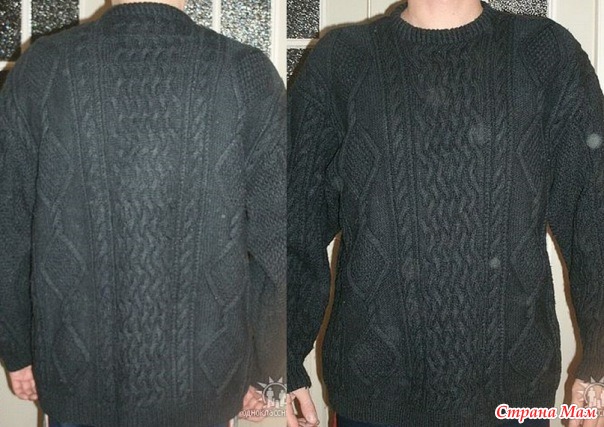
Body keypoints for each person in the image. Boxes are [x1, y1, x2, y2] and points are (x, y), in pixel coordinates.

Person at [286, 0, 604, 426]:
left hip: (512, 394)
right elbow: (293, 219)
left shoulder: (545, 53)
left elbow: (593, 210)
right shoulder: (342, 60)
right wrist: (279, 357)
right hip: (375, 391)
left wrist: (600, 358)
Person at [0, 0, 286, 426]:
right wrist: (267, 372)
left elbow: (8, 227)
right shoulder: (245, 72)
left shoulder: (45, 66)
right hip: (204, 385)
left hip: (76, 377)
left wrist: (18, 348)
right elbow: (276, 243)